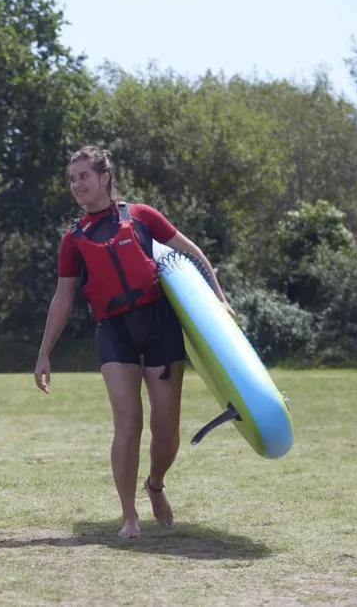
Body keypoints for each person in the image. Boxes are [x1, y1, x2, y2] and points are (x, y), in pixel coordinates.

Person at [33, 147, 232, 539]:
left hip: (159, 325)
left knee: (166, 427)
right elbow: (64, 299)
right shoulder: (73, 240)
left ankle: (155, 483)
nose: (77, 185)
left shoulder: (141, 216)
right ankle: (129, 516)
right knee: (127, 423)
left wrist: (220, 299)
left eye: (84, 176)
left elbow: (192, 252)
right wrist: (44, 353)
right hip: (114, 333)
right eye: (72, 178)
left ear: (105, 177)